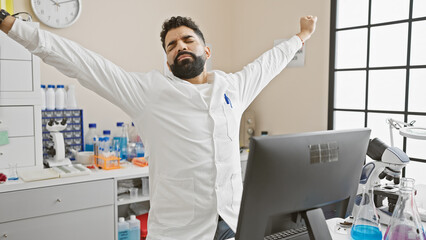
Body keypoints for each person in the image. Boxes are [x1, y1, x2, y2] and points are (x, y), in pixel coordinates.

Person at [0, 9, 317, 240]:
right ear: (167, 61)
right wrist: (10, 24)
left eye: (187, 40)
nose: (180, 45)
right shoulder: (148, 92)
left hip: (232, 225)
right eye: (171, 44)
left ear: (206, 50)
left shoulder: (233, 86)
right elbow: (80, 61)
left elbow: (269, 63)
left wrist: (301, 37)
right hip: (179, 232)